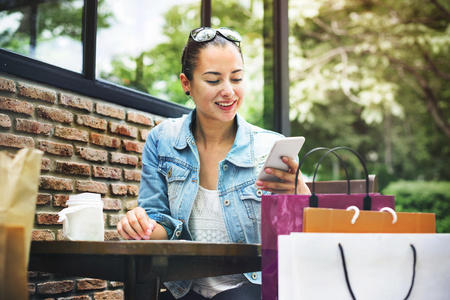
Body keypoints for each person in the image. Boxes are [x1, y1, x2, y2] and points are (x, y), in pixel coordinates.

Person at [117, 27, 310, 300]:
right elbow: (160, 223)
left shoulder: (270, 147)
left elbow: (298, 240)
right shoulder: (163, 140)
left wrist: (300, 194)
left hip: (253, 289)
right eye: (213, 80)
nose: (228, 91)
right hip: (186, 287)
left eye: (237, 78)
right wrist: (141, 225)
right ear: (187, 83)